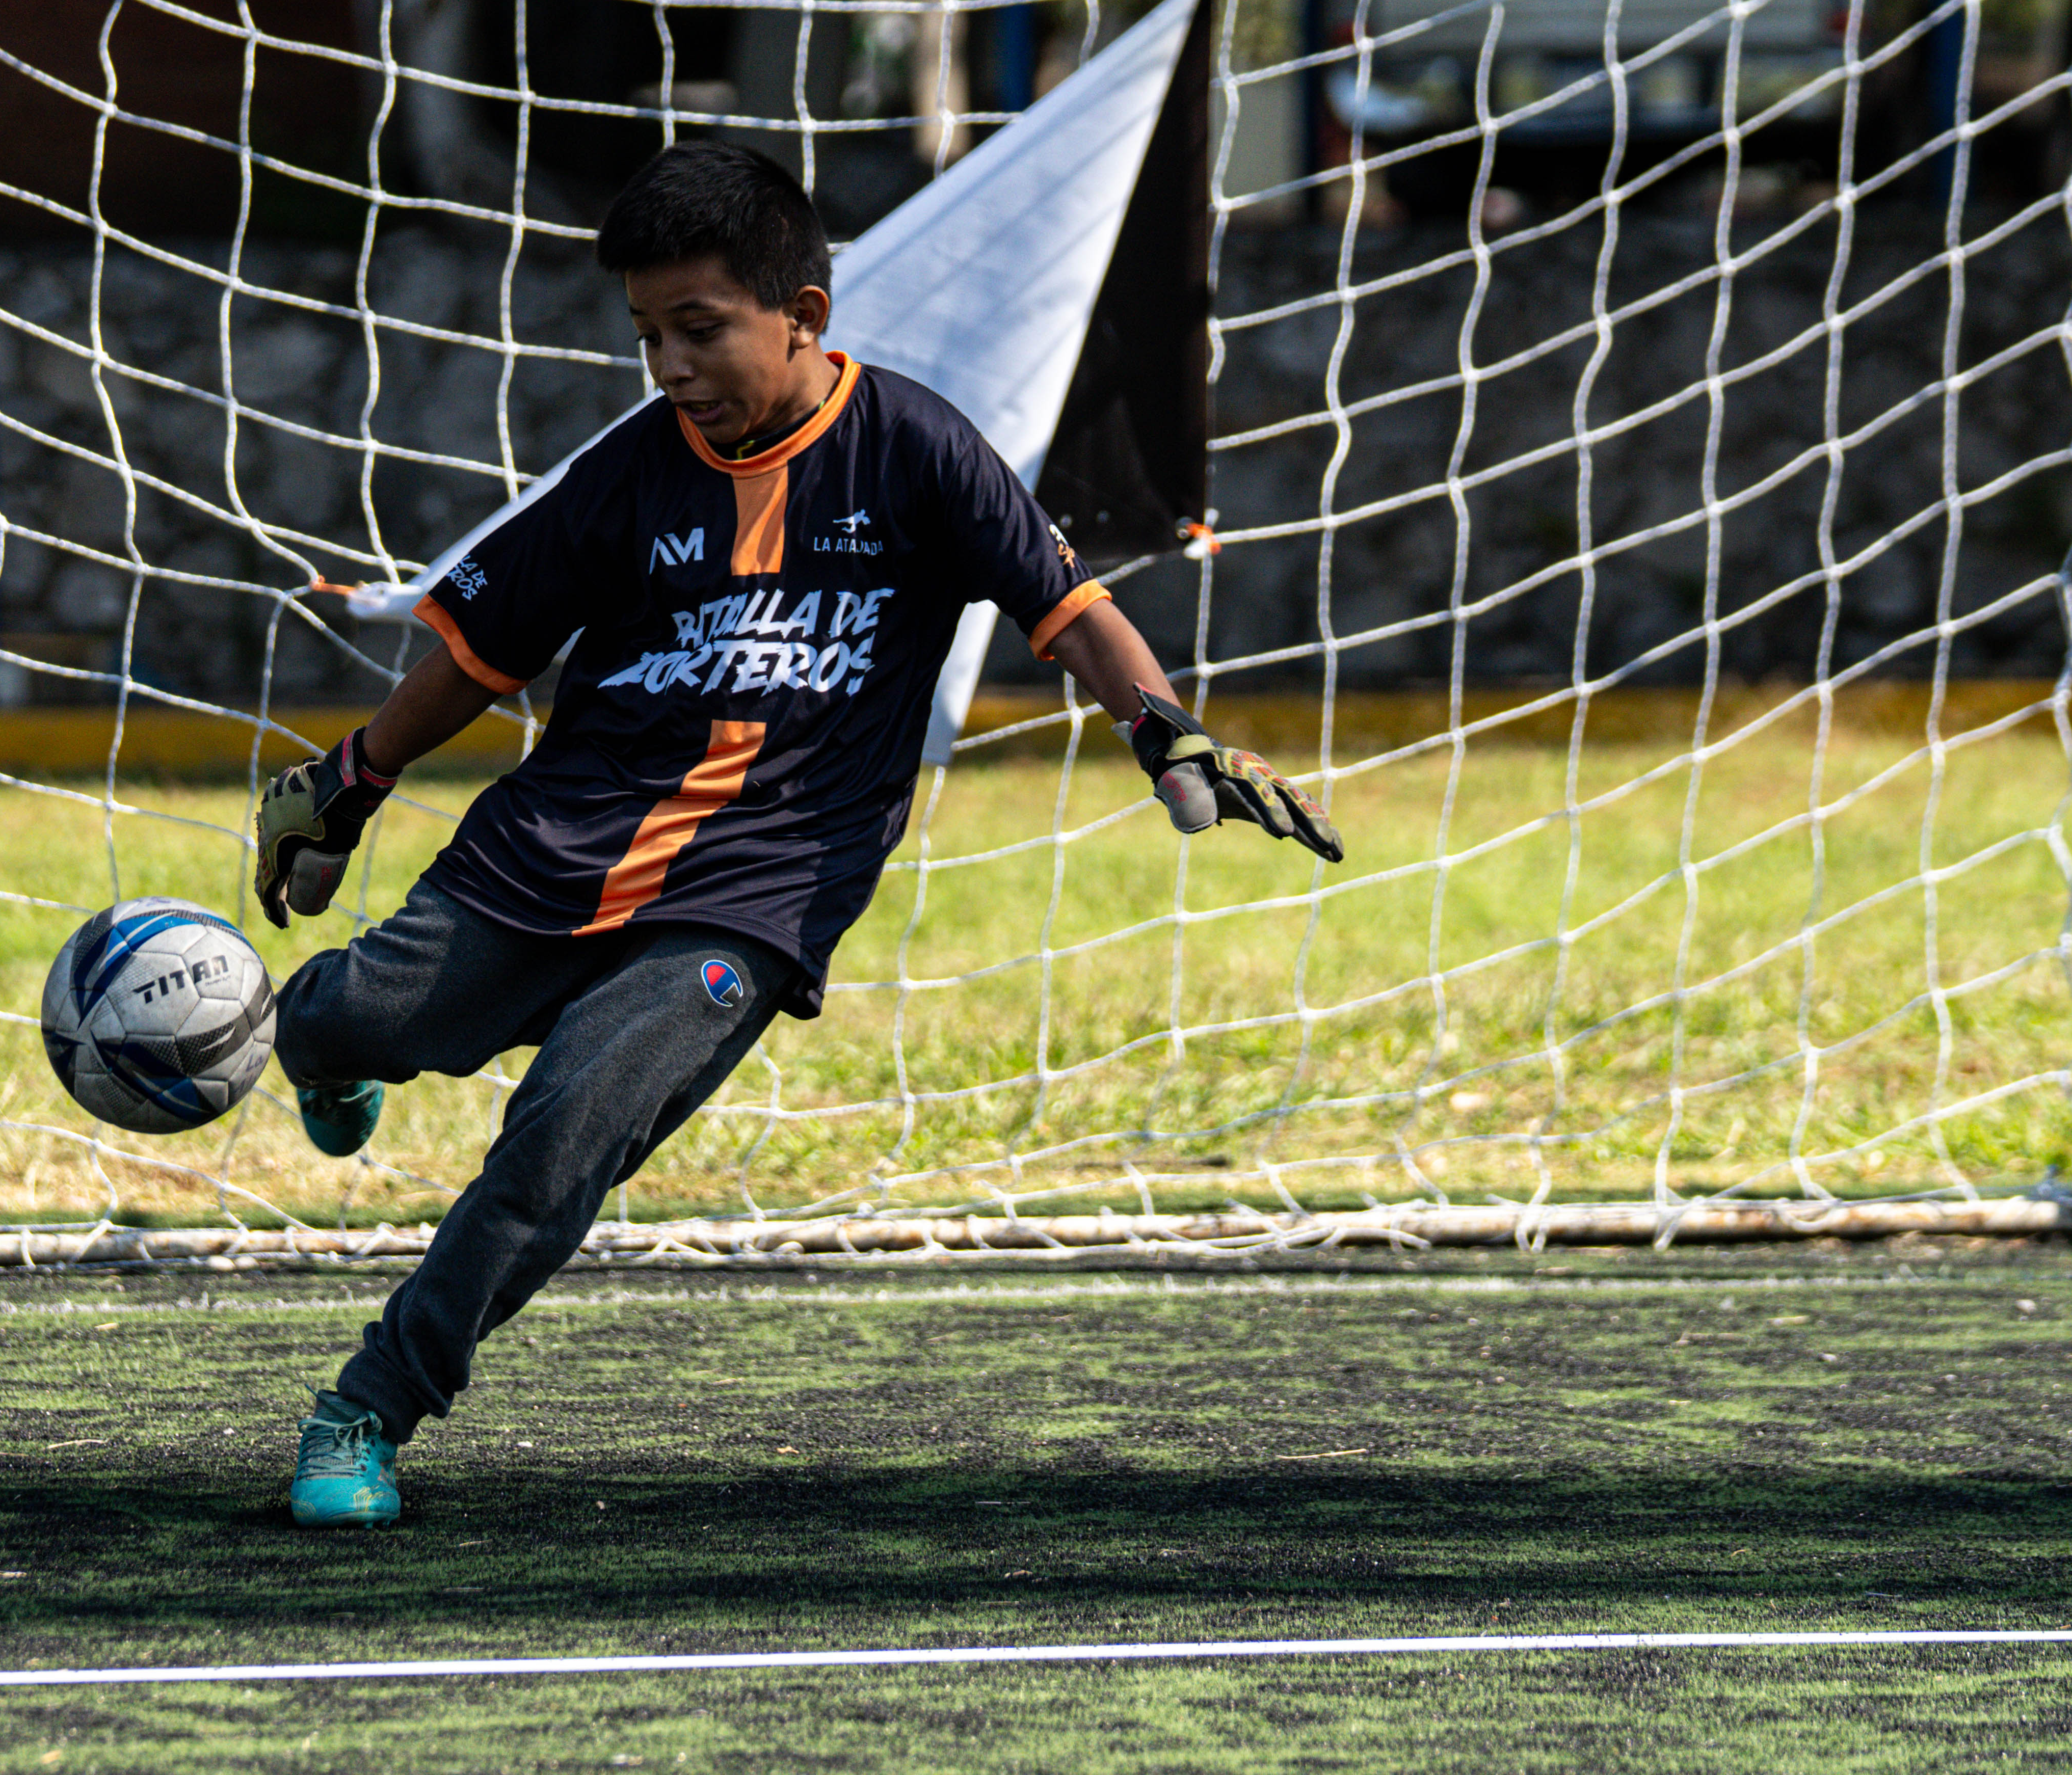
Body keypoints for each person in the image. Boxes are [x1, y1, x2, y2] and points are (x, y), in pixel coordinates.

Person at [249, 140, 1342, 1528]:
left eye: (698, 329)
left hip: (757, 895)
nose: (669, 366)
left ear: (804, 316)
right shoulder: (626, 477)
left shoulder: (919, 450)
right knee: (342, 1023)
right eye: (647, 335)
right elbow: (481, 654)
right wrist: (349, 777)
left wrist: (1162, 725)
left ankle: (369, 1409)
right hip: (554, 849)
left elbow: (1062, 606)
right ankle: (337, 1049)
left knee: (567, 1131)